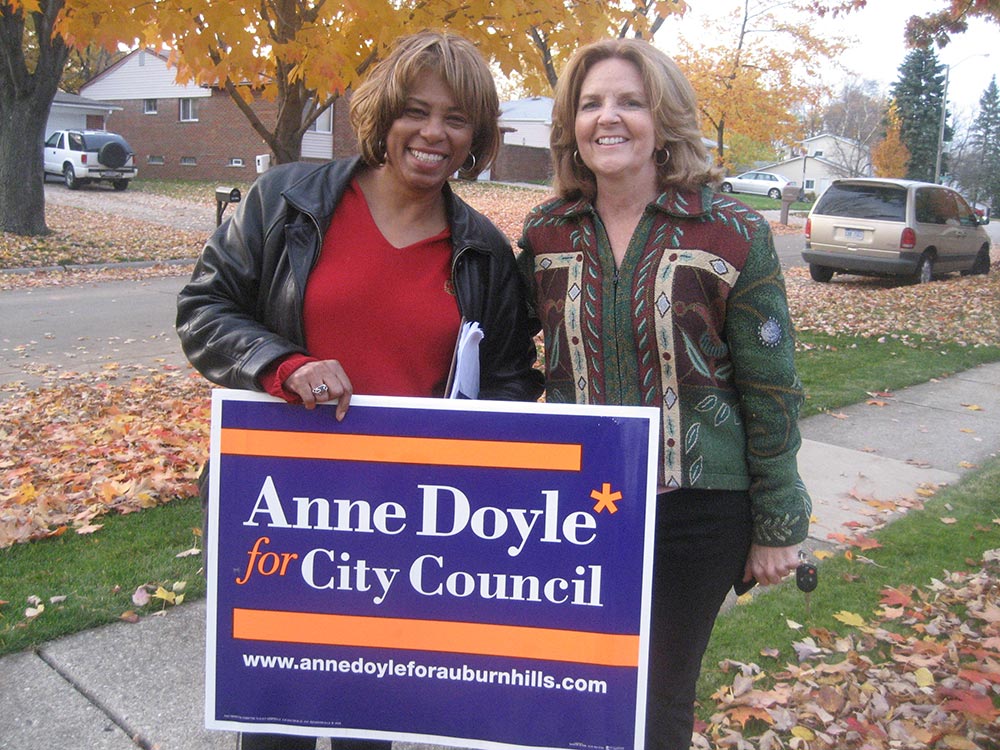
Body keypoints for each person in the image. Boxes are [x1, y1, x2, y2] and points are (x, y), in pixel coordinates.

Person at [177, 29, 543, 750]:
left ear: (477, 135)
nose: (433, 132)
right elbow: (203, 310)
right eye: (415, 109)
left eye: (456, 117)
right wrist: (284, 365)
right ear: (384, 114)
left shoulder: (485, 254)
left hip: (406, 531)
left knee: (372, 729)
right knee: (273, 719)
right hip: (282, 510)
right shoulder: (288, 201)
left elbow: (505, 384)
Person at [517, 39, 811, 750]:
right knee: (575, 690)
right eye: (590, 104)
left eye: (629, 102)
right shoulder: (546, 233)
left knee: (656, 701)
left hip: (699, 511)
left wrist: (778, 521)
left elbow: (771, 387)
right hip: (578, 511)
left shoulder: (733, 232)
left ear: (664, 119)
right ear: (571, 124)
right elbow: (515, 365)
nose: (607, 118)